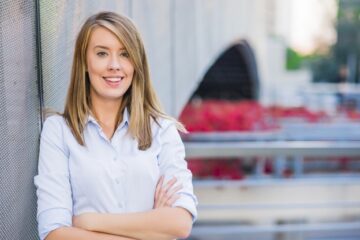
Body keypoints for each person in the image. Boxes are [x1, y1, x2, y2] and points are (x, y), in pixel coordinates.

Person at [34, 11, 198, 240]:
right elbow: (54, 233)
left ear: (136, 63)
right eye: (102, 53)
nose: (114, 65)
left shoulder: (161, 130)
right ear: (84, 62)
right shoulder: (59, 132)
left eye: (124, 54)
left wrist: (89, 222)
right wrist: (152, 230)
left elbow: (180, 223)